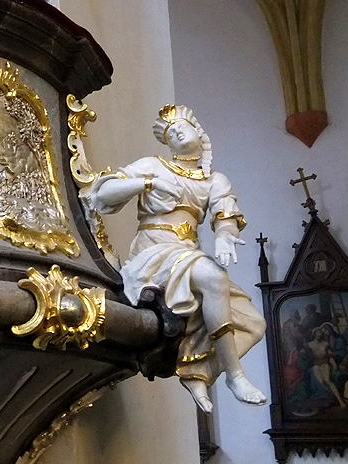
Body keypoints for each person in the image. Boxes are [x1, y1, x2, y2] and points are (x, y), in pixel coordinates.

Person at [89, 104, 267, 413]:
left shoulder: (214, 180)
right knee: (213, 276)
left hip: (187, 253)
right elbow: (102, 195)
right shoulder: (153, 165)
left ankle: (199, 372)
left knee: (254, 323)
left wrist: (225, 235)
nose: (178, 134)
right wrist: (147, 183)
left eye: (182, 128)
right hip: (153, 253)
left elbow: (225, 215)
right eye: (171, 134)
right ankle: (235, 376)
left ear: (199, 132)